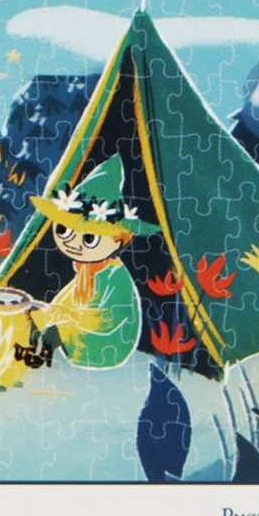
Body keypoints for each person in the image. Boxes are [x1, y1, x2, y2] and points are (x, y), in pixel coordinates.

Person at [26, 156, 158, 369]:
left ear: (120, 239)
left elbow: (111, 320)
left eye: (89, 238)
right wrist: (38, 318)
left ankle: (41, 357)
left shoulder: (115, 275)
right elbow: (63, 304)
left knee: (56, 331)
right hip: (81, 334)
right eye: (63, 229)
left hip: (108, 343)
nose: (72, 243)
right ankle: (33, 353)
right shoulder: (85, 270)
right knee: (39, 322)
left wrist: (70, 319)